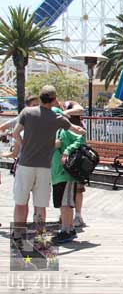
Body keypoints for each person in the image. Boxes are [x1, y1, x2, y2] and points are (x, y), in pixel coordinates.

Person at [11, 86, 85, 243]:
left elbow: (15, 133)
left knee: (20, 202)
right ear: (53, 99)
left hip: (25, 164)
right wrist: (82, 132)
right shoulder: (55, 117)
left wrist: (24, 146)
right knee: (40, 205)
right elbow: (75, 129)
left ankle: (18, 234)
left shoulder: (27, 112)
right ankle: (39, 236)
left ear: (40, 97)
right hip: (44, 167)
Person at [50, 107, 85, 244]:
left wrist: (67, 150)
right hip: (57, 173)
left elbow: (82, 138)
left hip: (65, 173)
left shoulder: (66, 130)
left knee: (66, 203)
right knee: (62, 203)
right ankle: (67, 228)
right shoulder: (53, 132)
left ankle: (67, 230)